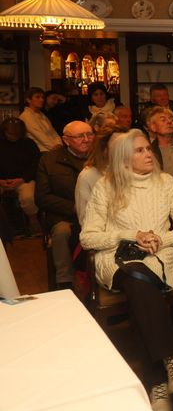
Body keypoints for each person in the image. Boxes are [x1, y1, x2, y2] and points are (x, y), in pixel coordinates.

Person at [80, 129, 173, 411]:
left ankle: (157, 384)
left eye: (148, 149)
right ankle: (172, 359)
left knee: (140, 287)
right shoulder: (106, 186)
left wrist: (161, 239)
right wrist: (131, 235)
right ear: (123, 159)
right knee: (135, 276)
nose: (149, 154)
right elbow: (88, 237)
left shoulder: (166, 183)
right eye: (140, 150)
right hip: (116, 258)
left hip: (158, 255)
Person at [36, 120, 94, 289]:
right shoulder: (49, 160)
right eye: (80, 136)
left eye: (89, 134)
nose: (86, 139)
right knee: (62, 233)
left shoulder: (101, 158)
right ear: (66, 140)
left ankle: (100, 278)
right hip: (64, 215)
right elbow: (42, 197)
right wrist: (73, 207)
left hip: (96, 213)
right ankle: (65, 282)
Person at [0, 117, 42, 238]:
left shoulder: (29, 144)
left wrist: (22, 179)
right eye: (10, 134)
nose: (13, 136)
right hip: (1, 180)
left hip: (23, 180)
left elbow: (36, 164)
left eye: (16, 134)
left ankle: (33, 221)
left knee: (28, 197)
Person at [74, 123, 122, 226]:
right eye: (118, 145)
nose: (124, 149)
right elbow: (85, 220)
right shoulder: (88, 176)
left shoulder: (136, 170)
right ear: (104, 149)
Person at [20, 86, 62, 152]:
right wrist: (54, 147)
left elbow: (53, 132)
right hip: (40, 152)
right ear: (28, 100)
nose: (41, 100)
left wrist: (59, 144)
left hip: (53, 149)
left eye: (43, 97)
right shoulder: (26, 116)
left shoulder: (42, 115)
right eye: (37, 97)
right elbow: (40, 136)